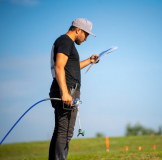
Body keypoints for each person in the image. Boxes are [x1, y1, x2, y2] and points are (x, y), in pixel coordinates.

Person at [49, 18, 98, 160]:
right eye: (86, 34)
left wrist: (90, 60)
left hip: (67, 90)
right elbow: (59, 66)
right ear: (78, 30)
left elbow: (71, 67)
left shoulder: (66, 43)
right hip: (67, 91)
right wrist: (65, 92)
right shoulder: (65, 41)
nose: (86, 38)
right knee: (65, 132)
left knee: (60, 131)